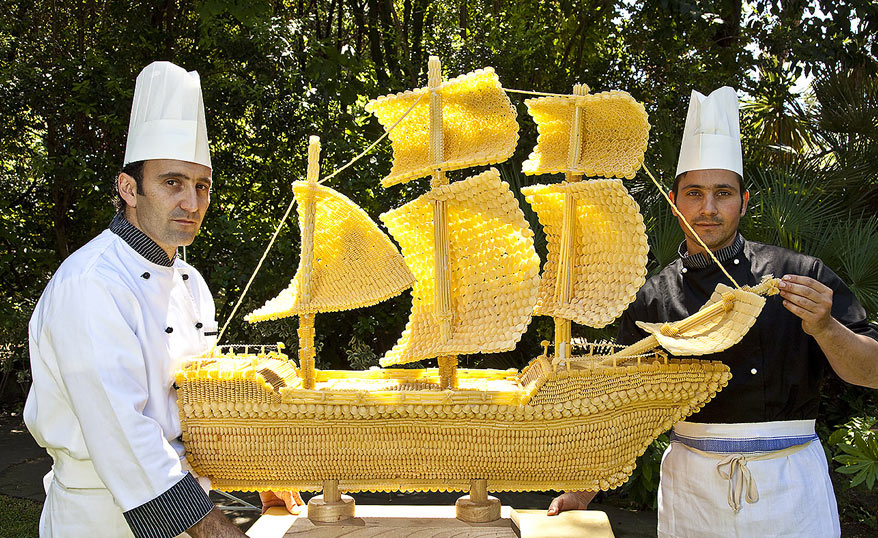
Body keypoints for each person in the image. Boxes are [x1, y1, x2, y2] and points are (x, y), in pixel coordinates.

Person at [548, 86, 878, 536]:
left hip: (789, 486)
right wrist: (581, 492)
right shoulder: (653, 298)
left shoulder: (801, 275)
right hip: (692, 488)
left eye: (723, 193)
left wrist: (825, 327)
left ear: (744, 201)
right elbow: (623, 409)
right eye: (694, 193)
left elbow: (870, 373)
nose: (708, 209)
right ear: (674, 201)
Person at [24, 61, 248, 537]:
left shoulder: (191, 282)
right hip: (99, 517)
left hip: (186, 502)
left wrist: (258, 476)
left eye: (202, 186)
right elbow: (121, 434)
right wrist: (214, 529)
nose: (192, 203)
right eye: (172, 182)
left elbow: (202, 403)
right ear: (129, 188)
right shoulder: (90, 283)